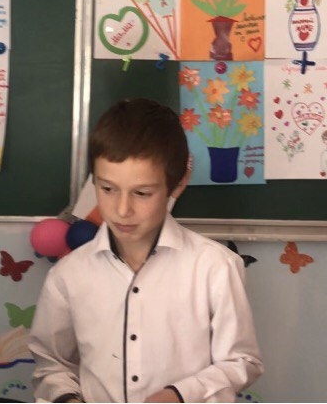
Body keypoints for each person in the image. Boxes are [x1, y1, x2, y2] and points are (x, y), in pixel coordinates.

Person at [29, 98, 263, 402]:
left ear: (177, 184)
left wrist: (180, 395)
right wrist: (66, 398)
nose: (122, 209)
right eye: (107, 189)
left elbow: (241, 363)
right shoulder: (68, 275)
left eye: (142, 193)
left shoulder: (214, 267)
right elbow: (50, 364)